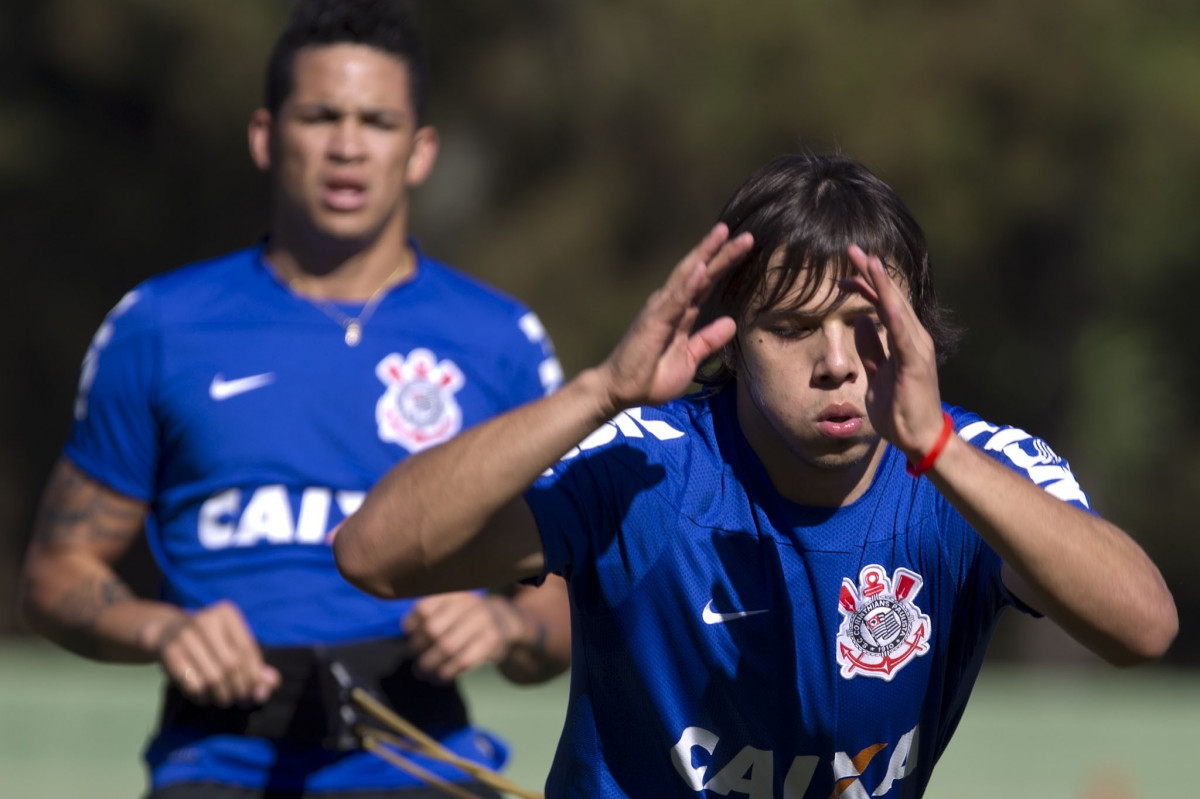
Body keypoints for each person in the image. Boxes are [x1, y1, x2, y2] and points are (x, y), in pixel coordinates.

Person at [331, 152, 1178, 798]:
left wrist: (938, 452)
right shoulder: (645, 464)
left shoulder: (976, 474)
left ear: (916, 325)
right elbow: (374, 554)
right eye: (791, 326)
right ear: (733, 337)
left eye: (865, 322)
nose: (838, 362)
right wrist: (598, 390)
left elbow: (1143, 628)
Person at [19, 1, 571, 797]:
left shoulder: (501, 341)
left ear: (419, 152)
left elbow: (563, 609)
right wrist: (163, 628)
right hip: (218, 758)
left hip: (422, 755)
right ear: (265, 136)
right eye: (319, 116)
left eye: (376, 122)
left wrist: (504, 625)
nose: (347, 146)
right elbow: (53, 575)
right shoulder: (160, 326)